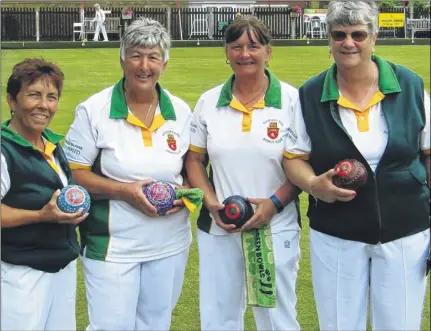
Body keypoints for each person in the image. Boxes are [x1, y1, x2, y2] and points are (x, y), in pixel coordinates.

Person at [283, 1, 430, 330]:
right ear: (329, 41)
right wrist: (313, 185)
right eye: (339, 35)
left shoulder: (410, 86)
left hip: (405, 230)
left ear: (374, 38)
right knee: (338, 324)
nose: (348, 42)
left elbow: (428, 154)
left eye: (358, 34)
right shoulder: (309, 94)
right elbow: (293, 159)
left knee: (400, 324)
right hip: (337, 233)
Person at [64, 17, 193, 330]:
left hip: (169, 242)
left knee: (155, 324)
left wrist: (184, 195)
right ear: (121, 58)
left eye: (153, 57)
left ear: (165, 63)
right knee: (111, 326)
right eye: (136, 55)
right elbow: (74, 174)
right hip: (112, 246)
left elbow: (193, 170)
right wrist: (125, 192)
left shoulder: (181, 111)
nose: (144, 65)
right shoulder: (94, 110)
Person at [186, 16, 302, 331]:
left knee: (277, 318)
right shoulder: (209, 102)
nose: (244, 53)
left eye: (253, 45)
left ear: (269, 52)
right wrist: (211, 203)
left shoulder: (292, 101)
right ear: (226, 53)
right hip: (220, 227)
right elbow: (194, 161)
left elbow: (303, 165)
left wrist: (273, 204)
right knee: (218, 317)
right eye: (236, 46)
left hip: (276, 226)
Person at [1, 58, 88, 330]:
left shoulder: (50, 143)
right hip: (20, 274)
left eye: (52, 97)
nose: (44, 105)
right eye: (34, 95)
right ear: (12, 101)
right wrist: (41, 215)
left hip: (61, 267)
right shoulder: (4, 150)